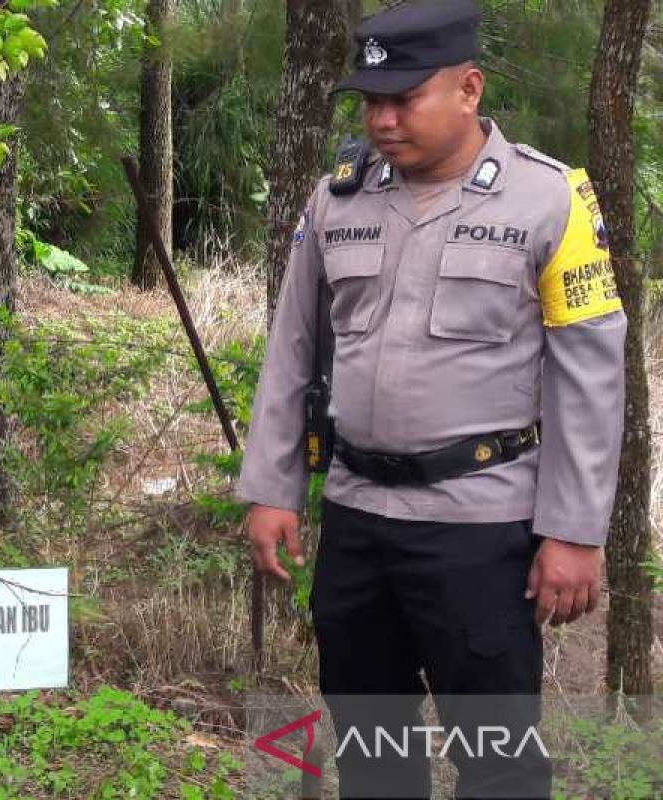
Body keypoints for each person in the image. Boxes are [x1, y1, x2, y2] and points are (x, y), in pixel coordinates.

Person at [236, 2, 625, 797]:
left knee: (499, 761)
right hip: (356, 519)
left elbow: (590, 375)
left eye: (404, 98)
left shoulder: (549, 200)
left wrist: (576, 532)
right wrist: (273, 488)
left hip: (481, 529)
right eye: (371, 100)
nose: (382, 119)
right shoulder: (337, 199)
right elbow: (292, 351)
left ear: (469, 88)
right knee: (373, 754)